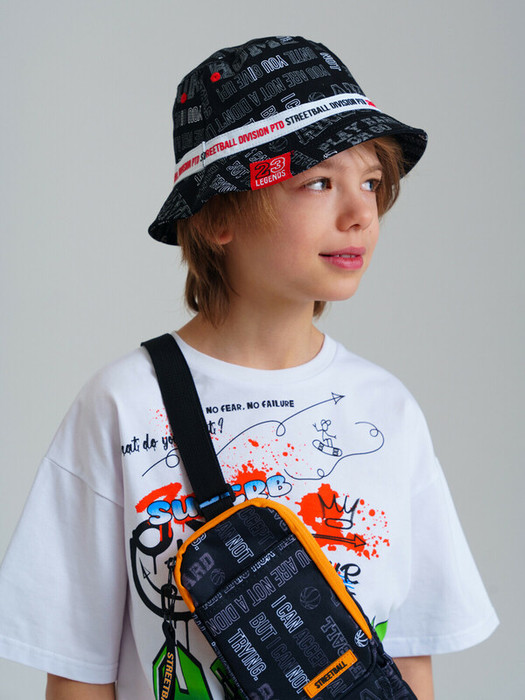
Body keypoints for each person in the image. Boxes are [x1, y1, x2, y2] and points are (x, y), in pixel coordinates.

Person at [0, 36, 498, 700]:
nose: (360, 215)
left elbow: (405, 664)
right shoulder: (122, 405)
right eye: (318, 182)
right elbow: (77, 677)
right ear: (218, 216)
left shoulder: (386, 410)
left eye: (371, 183)